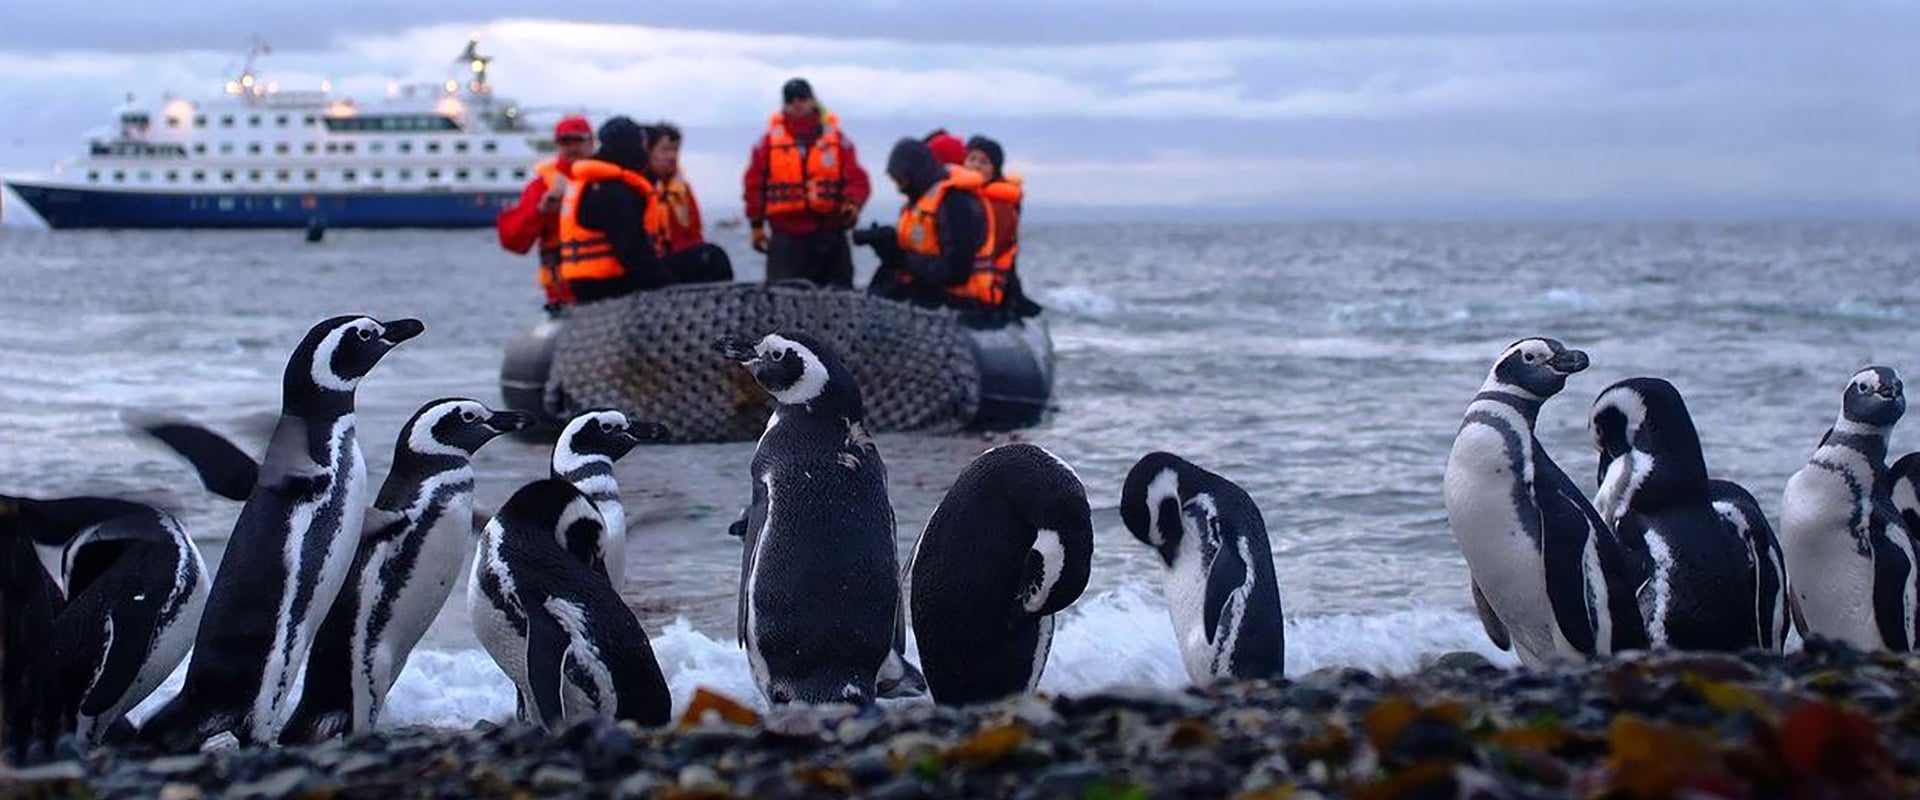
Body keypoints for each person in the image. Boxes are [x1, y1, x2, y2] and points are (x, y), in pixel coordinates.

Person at [557, 117, 732, 304]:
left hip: (590, 285)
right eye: (642, 146)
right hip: (608, 286)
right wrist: (672, 292)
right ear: (630, 147)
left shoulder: (594, 183)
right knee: (711, 257)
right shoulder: (612, 191)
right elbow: (634, 255)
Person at [742, 78, 871, 288]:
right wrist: (756, 226)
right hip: (786, 238)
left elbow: (857, 179)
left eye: (802, 97)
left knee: (839, 300)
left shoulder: (838, 141)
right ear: (784, 105)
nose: (797, 104)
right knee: (785, 303)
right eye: (791, 99)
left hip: (830, 234)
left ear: (813, 101)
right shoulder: (766, 145)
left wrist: (853, 204)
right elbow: (753, 184)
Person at [871, 137, 1006, 314]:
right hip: (931, 292)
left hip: (962, 303)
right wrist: (887, 245)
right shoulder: (918, 203)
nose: (899, 188)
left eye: (902, 181)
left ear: (916, 175)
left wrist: (903, 259)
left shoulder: (955, 204)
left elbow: (957, 271)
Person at [497, 115, 595, 309]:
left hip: (608, 288)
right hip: (562, 295)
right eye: (566, 141)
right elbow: (512, 240)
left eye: (579, 140)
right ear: (558, 145)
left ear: (591, 142)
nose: (573, 147)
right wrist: (541, 210)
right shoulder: (542, 187)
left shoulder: (607, 180)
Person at [645, 122, 733, 279]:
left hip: (678, 258)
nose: (672, 156)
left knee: (711, 257)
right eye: (665, 150)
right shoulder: (640, 188)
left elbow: (695, 231)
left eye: (675, 149)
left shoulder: (681, 188)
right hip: (652, 264)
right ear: (649, 152)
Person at [964, 135, 1040, 317]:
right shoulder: (958, 198)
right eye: (972, 159)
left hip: (985, 289)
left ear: (995, 170)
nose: (976, 166)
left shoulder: (1001, 206)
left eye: (984, 162)